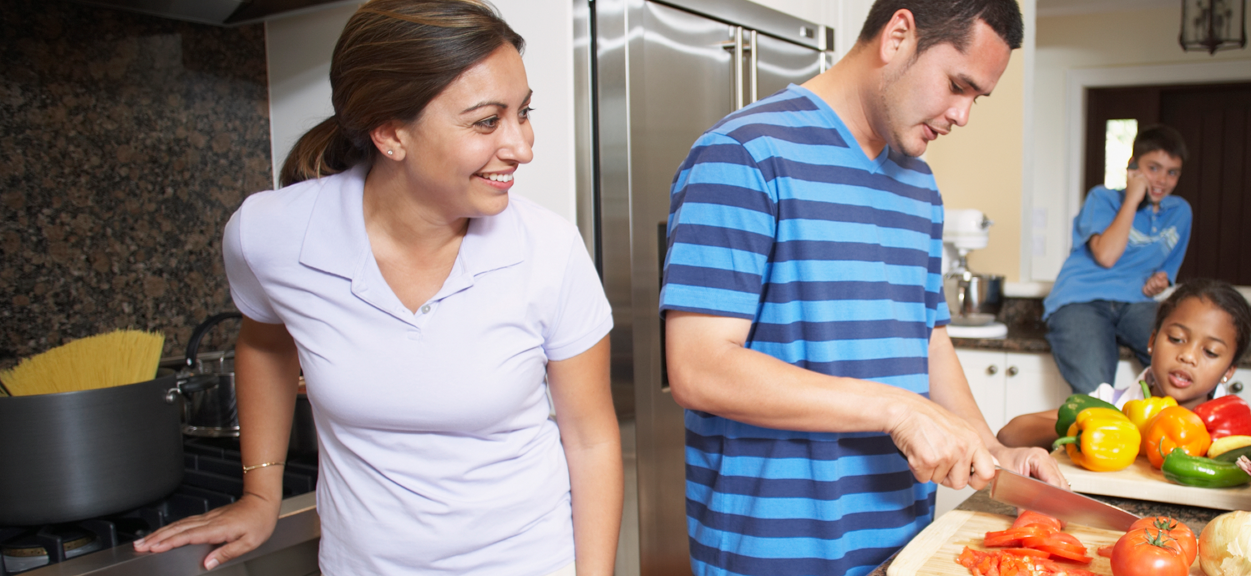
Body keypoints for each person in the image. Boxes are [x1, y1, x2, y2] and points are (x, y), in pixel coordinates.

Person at [132, 2, 621, 574]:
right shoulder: (273, 234)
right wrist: (260, 493)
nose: (522, 146)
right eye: (488, 121)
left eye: (523, 112)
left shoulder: (549, 250)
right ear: (390, 134)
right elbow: (265, 341)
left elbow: (590, 440)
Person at [656, 1, 1064, 575]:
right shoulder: (743, 155)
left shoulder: (920, 186)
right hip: (774, 556)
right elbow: (698, 369)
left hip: (903, 547)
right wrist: (897, 409)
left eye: (977, 97)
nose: (963, 115)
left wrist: (993, 450)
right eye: (957, 85)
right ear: (898, 35)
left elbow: (930, 341)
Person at [998, 278, 1251, 448]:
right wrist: (1109, 428)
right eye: (1176, 338)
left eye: (1210, 352)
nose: (1188, 356)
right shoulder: (1110, 403)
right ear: (1151, 340)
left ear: (1229, 371)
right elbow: (1011, 434)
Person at [1042, 126, 1192, 394]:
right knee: (1095, 392)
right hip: (1081, 300)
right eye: (1153, 168)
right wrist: (1133, 198)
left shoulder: (1180, 212)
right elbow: (1107, 255)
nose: (1162, 180)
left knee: (1181, 365)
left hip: (1136, 303)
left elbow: (1168, 269)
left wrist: (1161, 280)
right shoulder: (1103, 198)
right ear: (1133, 166)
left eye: (1172, 172)